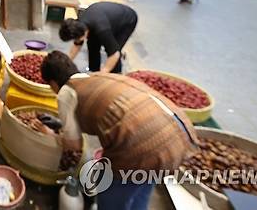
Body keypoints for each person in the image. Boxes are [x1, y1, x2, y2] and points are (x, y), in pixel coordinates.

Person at [40, 51, 198, 210]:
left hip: (144, 146)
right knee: (140, 189)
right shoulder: (95, 78)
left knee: (110, 198)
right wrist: (62, 124)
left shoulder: (66, 92)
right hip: (178, 131)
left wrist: (52, 135)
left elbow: (73, 145)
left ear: (53, 83)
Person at [59, 1, 138, 73]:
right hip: (105, 16)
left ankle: (116, 75)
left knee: (114, 48)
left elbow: (114, 54)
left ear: (83, 33)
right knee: (92, 43)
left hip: (127, 20)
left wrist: (101, 74)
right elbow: (76, 45)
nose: (77, 41)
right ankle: (93, 70)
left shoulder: (102, 29)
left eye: (77, 39)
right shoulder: (79, 24)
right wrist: (65, 65)